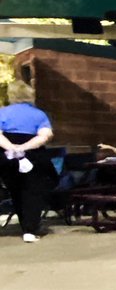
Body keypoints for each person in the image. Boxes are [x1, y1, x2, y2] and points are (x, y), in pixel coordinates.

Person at [0, 81, 56, 243]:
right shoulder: (39, 114)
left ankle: (25, 223)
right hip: (33, 155)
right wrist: (24, 147)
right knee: (33, 191)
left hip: (5, 156)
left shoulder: (3, 112)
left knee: (15, 190)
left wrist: (11, 148)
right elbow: (45, 136)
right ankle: (30, 229)